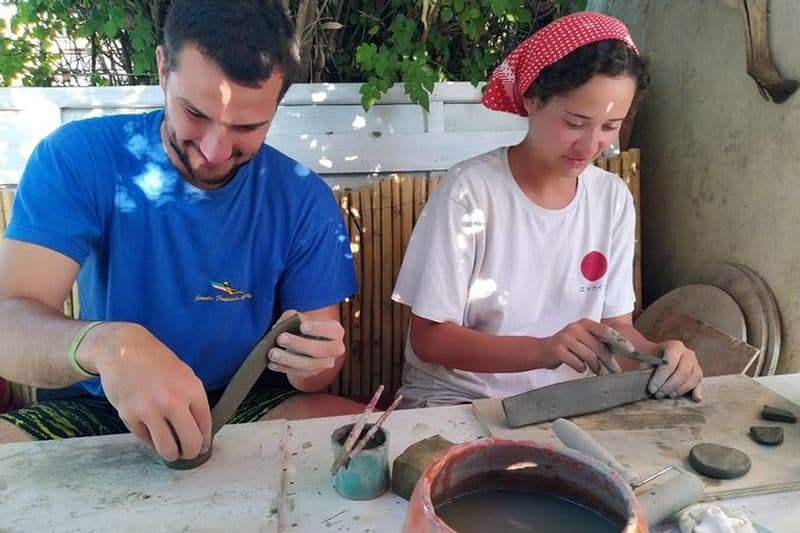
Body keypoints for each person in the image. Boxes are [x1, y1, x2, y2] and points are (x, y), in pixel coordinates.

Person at [0, 0, 365, 462]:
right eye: (195, 112)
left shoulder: (302, 196)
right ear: (161, 68)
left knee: (362, 443)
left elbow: (315, 373)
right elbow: (8, 326)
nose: (215, 150)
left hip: (244, 402)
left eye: (248, 127)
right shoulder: (78, 158)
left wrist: (316, 361)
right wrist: (108, 345)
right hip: (101, 406)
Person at [392, 12, 703, 407]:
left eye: (611, 127)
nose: (592, 146)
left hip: (564, 401)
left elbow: (614, 327)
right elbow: (429, 339)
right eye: (576, 122)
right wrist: (543, 350)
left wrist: (661, 355)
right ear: (532, 100)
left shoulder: (612, 199)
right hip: (460, 400)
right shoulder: (471, 191)